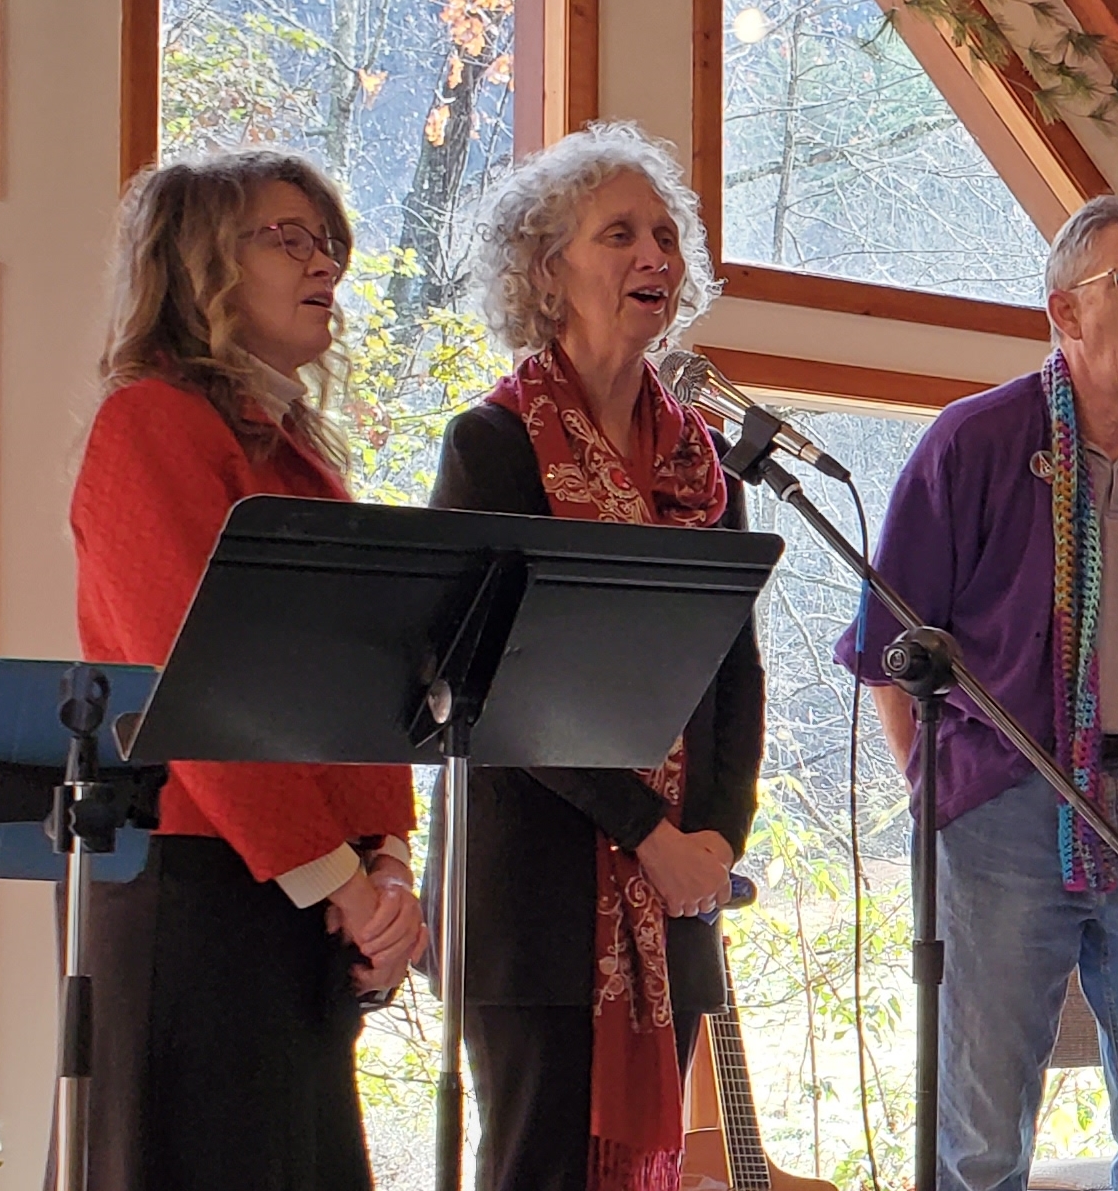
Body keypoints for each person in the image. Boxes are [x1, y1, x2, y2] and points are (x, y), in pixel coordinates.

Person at [841, 194, 1118, 1191]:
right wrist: (943, 794)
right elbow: (891, 651)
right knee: (980, 1139)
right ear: (1065, 311)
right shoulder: (973, 439)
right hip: (1005, 805)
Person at [69, 148, 423, 1191]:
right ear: (200, 262)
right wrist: (346, 881)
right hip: (197, 890)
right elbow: (200, 688)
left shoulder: (294, 449)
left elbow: (360, 679)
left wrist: (389, 864)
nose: (325, 265)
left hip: (301, 888)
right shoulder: (150, 422)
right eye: (289, 239)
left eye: (329, 244)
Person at [426, 119, 762, 1191]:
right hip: (532, 896)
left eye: (665, 235)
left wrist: (712, 838)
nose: (654, 254)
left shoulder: (706, 471)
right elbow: (487, 685)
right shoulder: (491, 446)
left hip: (678, 893)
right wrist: (648, 833)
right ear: (546, 271)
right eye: (619, 234)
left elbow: (735, 678)